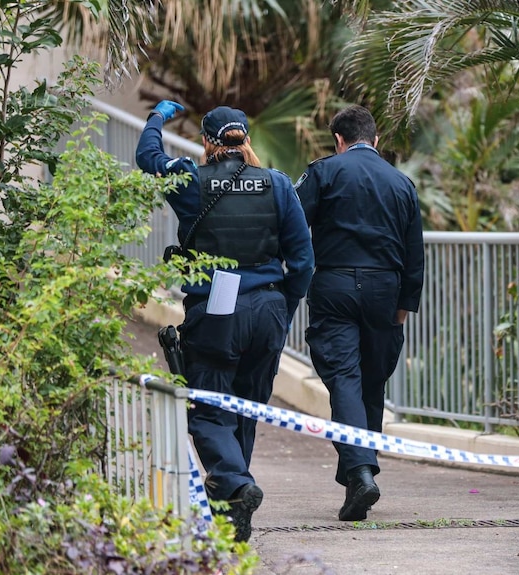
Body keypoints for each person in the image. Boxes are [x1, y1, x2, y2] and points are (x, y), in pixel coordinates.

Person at [135, 100, 314, 542]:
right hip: (269, 307)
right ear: (245, 139)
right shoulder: (276, 184)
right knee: (247, 408)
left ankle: (235, 485)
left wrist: (158, 117)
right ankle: (235, 505)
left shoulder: (191, 181)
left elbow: (147, 157)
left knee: (209, 407)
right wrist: (283, 306)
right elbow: (304, 260)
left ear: (206, 142)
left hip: (217, 307)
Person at [295, 105, 425, 521]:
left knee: (345, 379)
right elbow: (414, 252)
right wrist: (406, 305)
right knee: (370, 381)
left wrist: (292, 281)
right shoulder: (402, 183)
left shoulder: (324, 173)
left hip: (334, 285)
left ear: (338, 140)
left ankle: (360, 471)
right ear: (376, 138)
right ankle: (358, 477)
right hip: (386, 291)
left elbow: (294, 226)